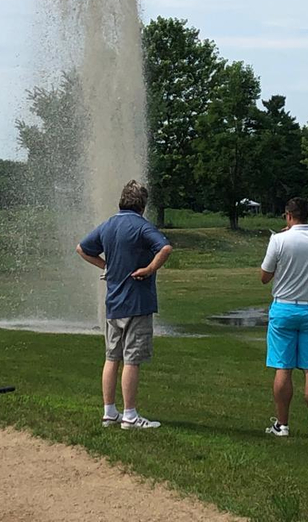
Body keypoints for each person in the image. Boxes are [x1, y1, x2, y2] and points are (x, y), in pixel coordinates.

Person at [76, 180, 172, 430]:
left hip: (113, 303)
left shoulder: (108, 225)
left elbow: (82, 248)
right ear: (142, 204)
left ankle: (109, 413)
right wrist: (150, 268)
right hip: (137, 303)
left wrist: (106, 266)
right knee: (132, 360)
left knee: (111, 357)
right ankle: (130, 415)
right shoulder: (141, 226)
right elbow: (165, 248)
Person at [260, 197, 308, 440]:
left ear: (289, 216)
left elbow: (264, 276)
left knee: (283, 367)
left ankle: (282, 425)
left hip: (284, 308)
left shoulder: (279, 240)